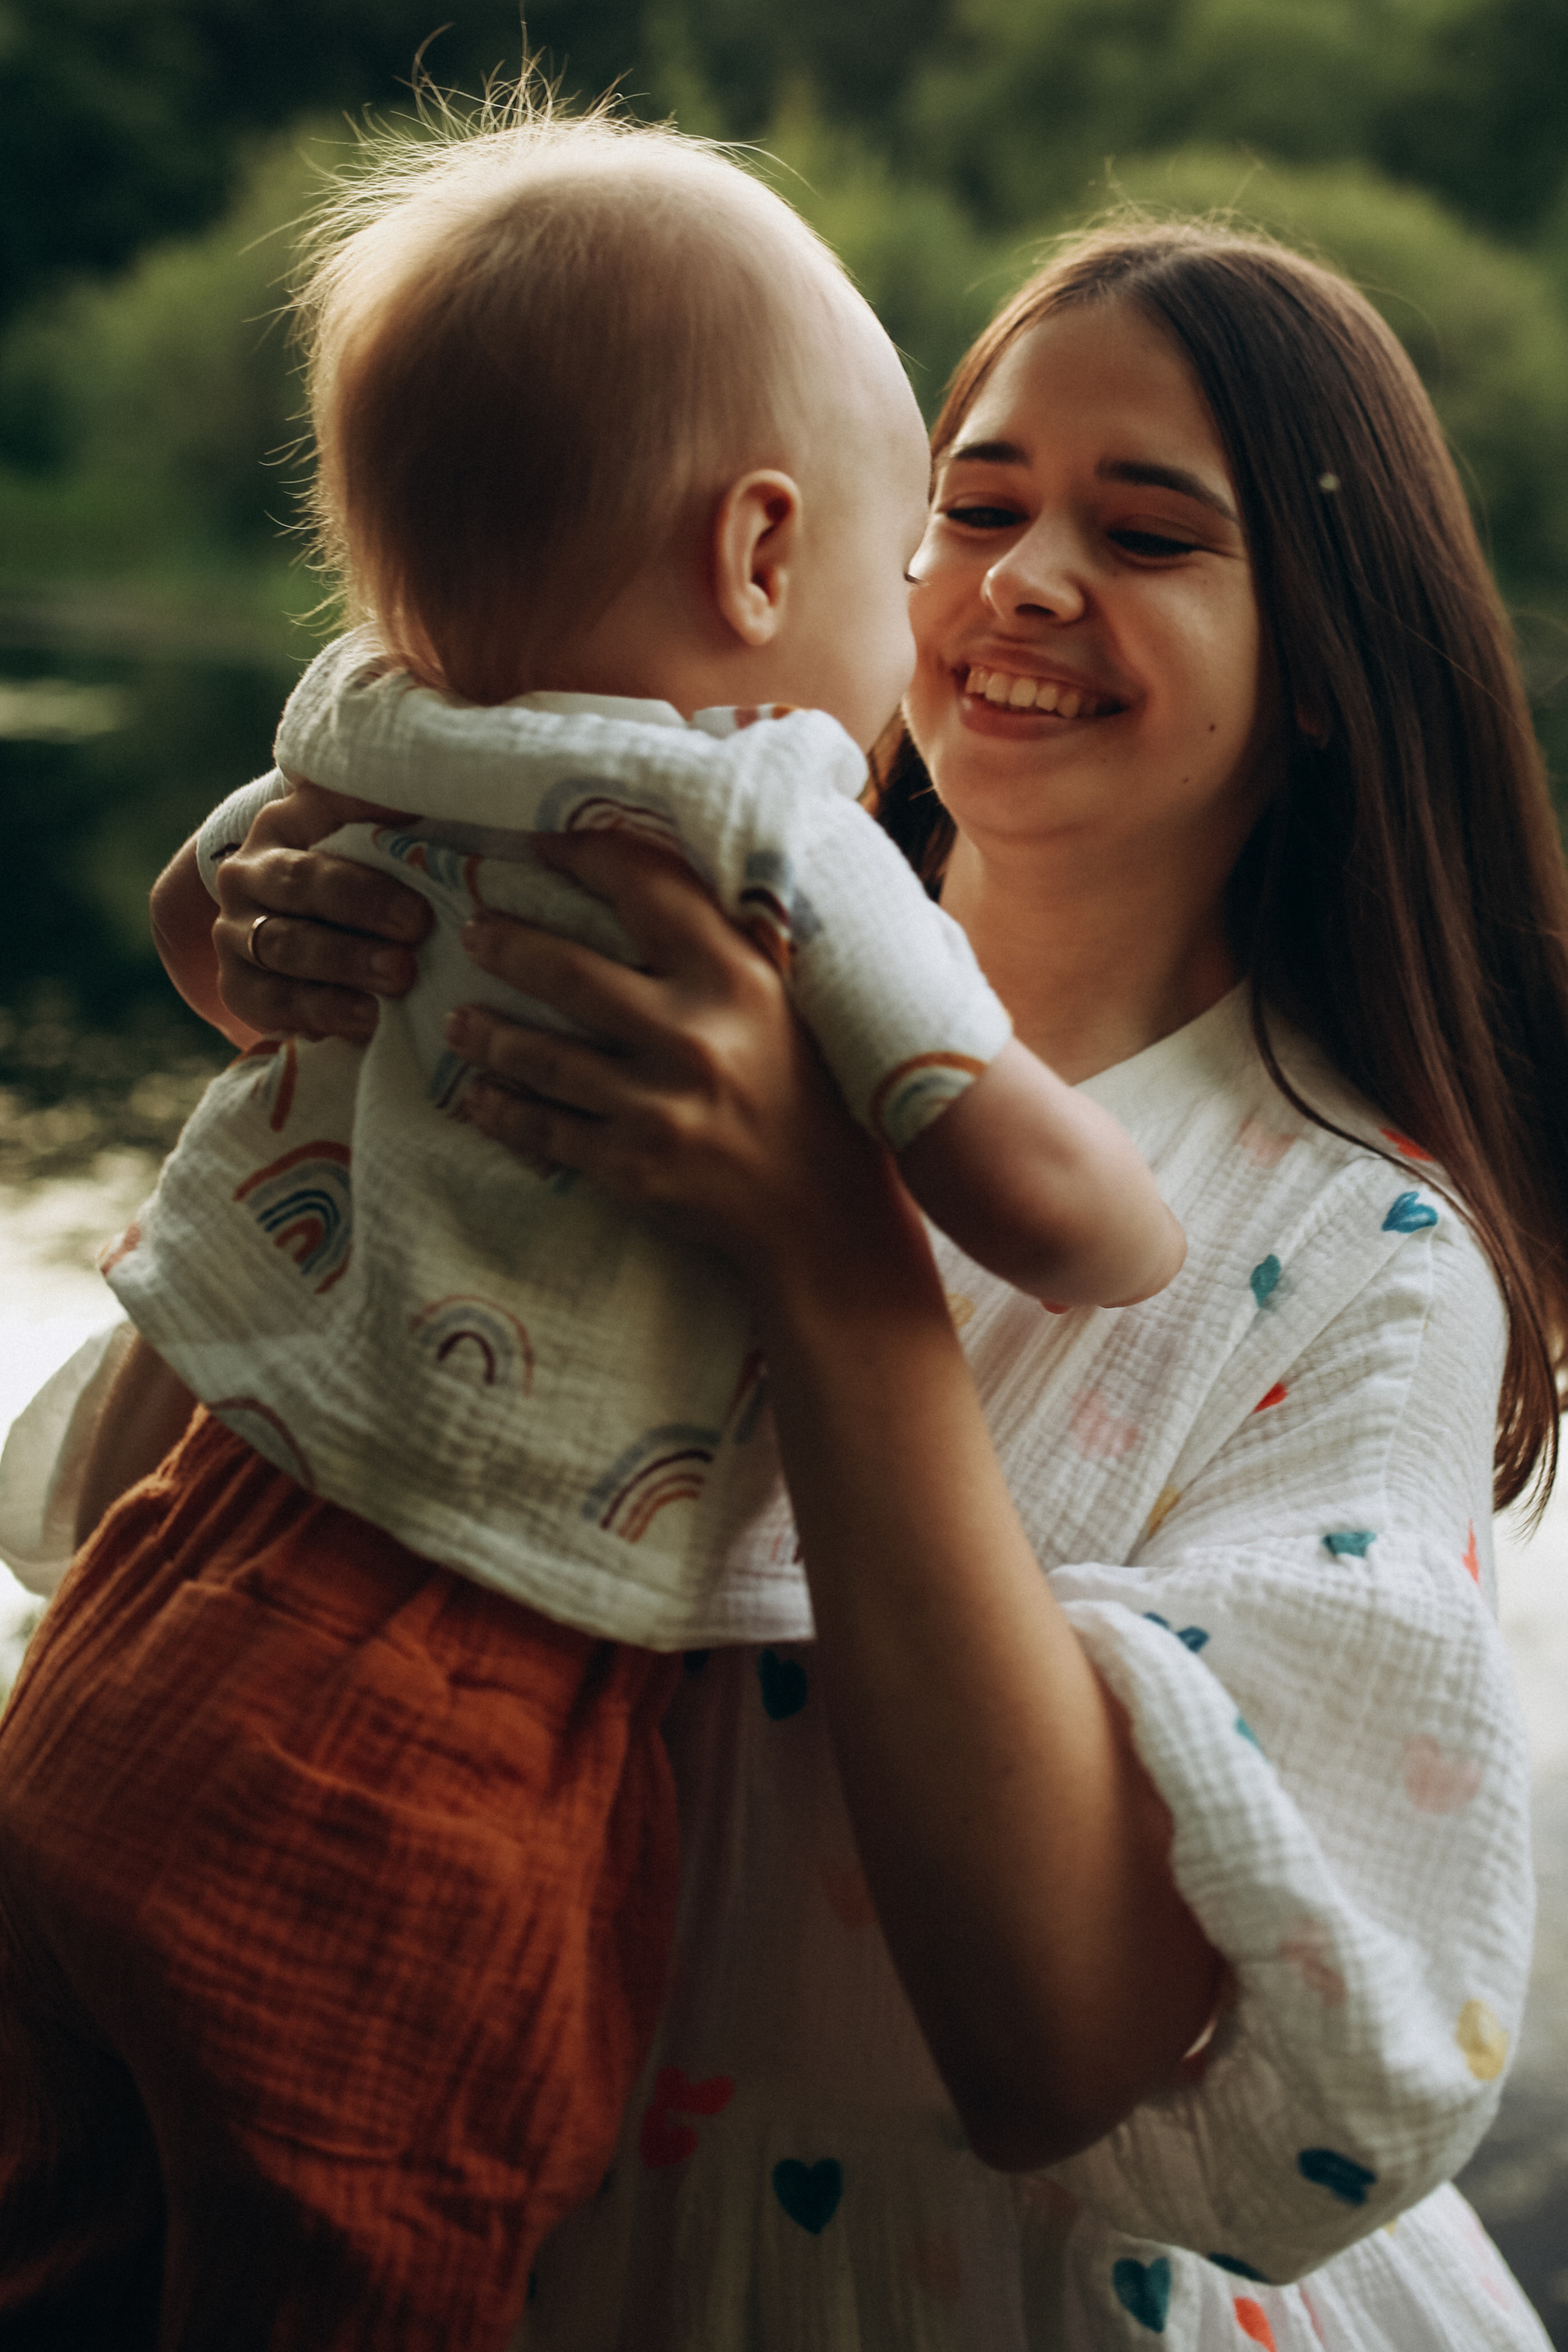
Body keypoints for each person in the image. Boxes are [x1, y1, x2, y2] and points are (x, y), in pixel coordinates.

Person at [194, 221, 1568, 2348]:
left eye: (1149, 532)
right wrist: (262, 960)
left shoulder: (1367, 1261)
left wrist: (835, 1257)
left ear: (1319, 667)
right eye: (981, 502)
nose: (1023, 580)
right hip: (451, 2179)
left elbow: (1059, 2051)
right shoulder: (637, 938)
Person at [0, 103, 1183, 2352]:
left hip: (148, 1610)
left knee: (59, 2233)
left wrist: (243, 935)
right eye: (923, 528)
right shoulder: (764, 830)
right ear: (762, 552)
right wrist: (1142, 1223)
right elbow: (1049, 1204)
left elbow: (204, 931)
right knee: (382, 2256)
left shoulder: (385, 715)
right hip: (426, 1734)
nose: (936, 607)